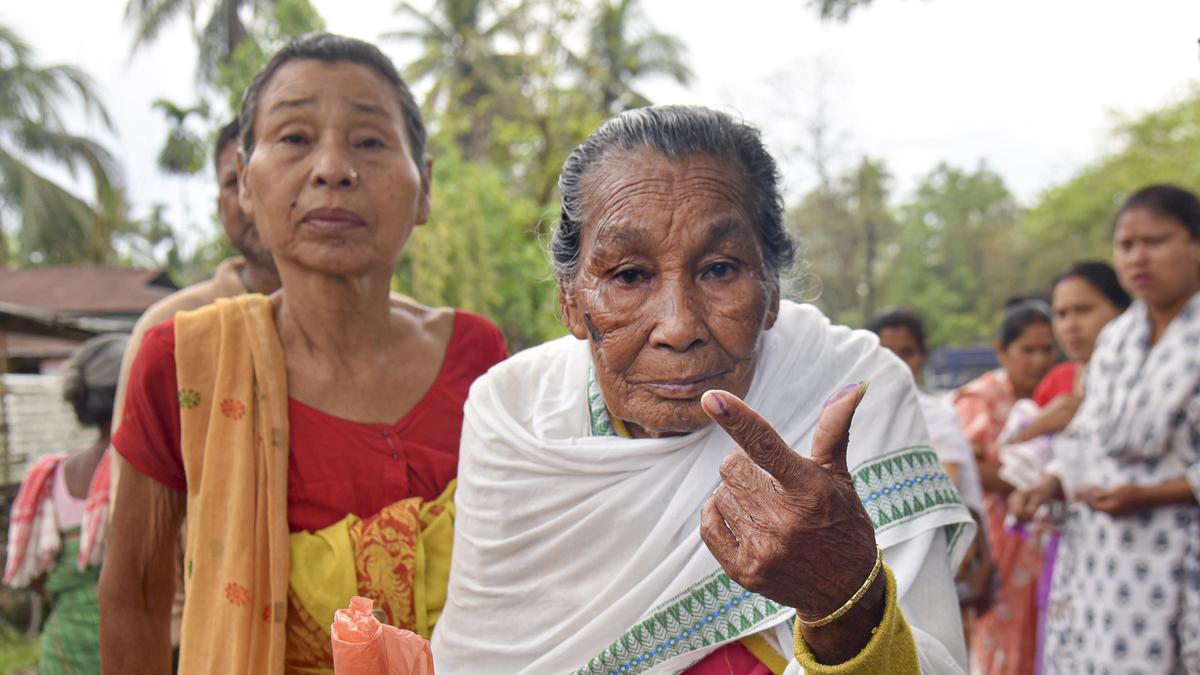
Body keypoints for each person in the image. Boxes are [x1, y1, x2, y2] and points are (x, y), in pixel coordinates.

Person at [433, 106, 975, 674]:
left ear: (771, 292)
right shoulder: (515, 418)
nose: (678, 326)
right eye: (628, 276)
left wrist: (843, 601)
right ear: (571, 301)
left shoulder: (851, 390)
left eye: (719, 269)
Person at [98, 33, 507, 674]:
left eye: (370, 142)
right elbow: (136, 595)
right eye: (294, 138)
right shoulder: (183, 362)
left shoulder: (476, 353)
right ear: (246, 186)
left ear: (423, 187)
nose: (332, 169)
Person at [105, 117, 282, 664]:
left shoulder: (385, 332)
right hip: (203, 636)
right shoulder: (175, 332)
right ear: (225, 202)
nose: (253, 195)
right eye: (235, 182)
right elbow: (135, 524)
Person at [1011, 185, 1200, 674]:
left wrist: (1151, 494)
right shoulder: (1117, 339)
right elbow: (1086, 434)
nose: (1138, 257)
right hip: (1101, 557)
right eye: (1125, 245)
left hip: (1177, 545)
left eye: (1155, 241)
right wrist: (1053, 481)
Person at [5, 334, 128, 675]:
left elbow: (34, 578)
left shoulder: (51, 477)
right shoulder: (145, 473)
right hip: (134, 647)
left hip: (62, 650)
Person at [867, 308, 993, 624]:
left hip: (932, 553)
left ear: (923, 357)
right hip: (875, 559)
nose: (895, 361)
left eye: (906, 352)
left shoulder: (936, 416)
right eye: (886, 351)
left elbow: (943, 490)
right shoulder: (858, 414)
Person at [953, 299, 1056, 675]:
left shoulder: (1057, 395)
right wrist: (1032, 484)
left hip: (1046, 540)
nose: (1039, 360)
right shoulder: (979, 398)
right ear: (1002, 350)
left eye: (1047, 349)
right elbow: (964, 462)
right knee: (998, 634)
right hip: (999, 540)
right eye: (1027, 350)